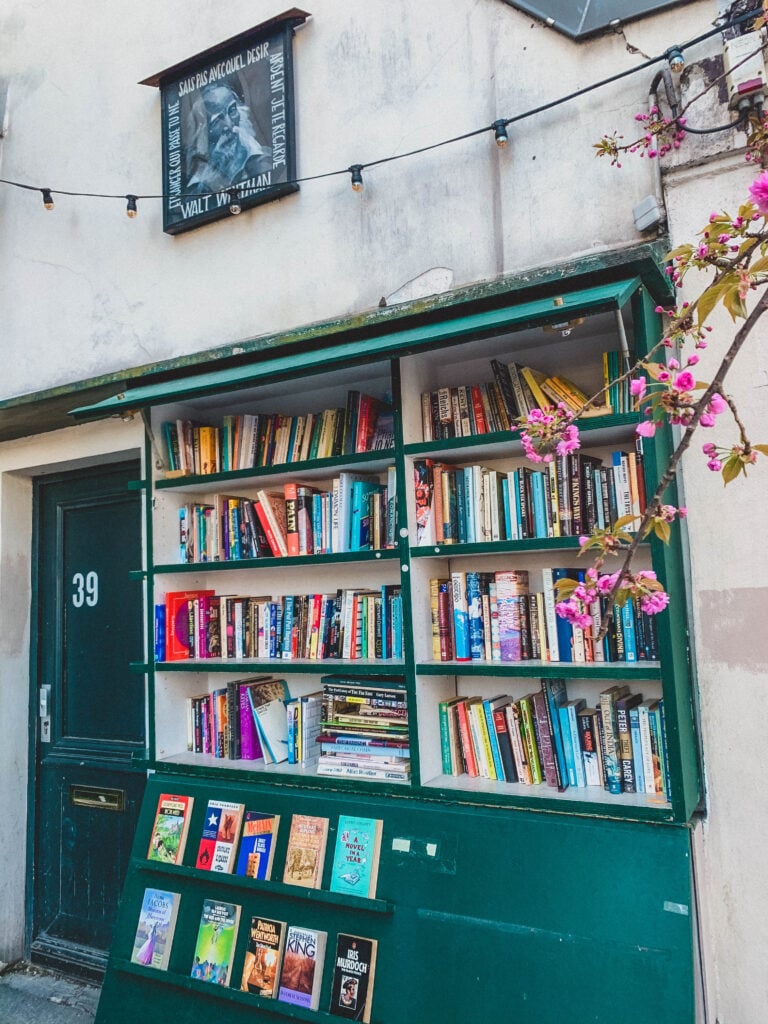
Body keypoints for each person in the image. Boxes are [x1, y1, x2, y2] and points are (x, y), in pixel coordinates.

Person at [185, 81, 272, 193]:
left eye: (232, 110)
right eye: (217, 121)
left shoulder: (266, 162)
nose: (229, 125)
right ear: (203, 132)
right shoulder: (196, 190)